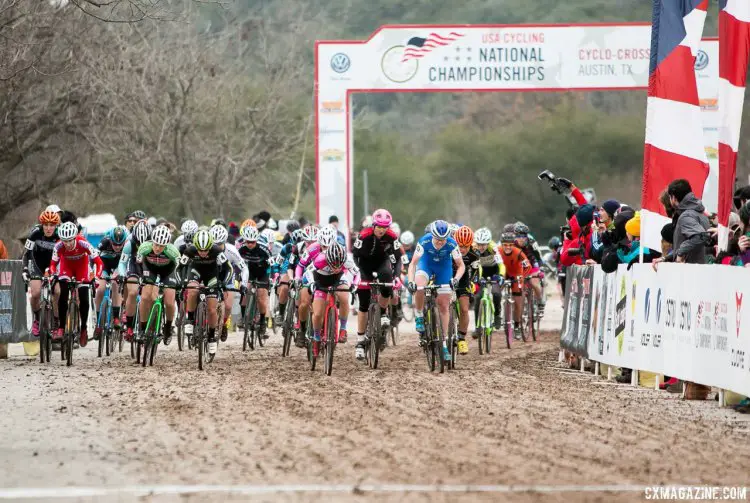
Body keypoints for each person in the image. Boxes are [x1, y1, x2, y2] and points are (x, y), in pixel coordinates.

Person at [407, 220, 465, 363]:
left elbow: (461, 265)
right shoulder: (424, 241)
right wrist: (410, 281)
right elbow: (413, 264)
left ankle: (444, 343)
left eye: (443, 240)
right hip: (426, 265)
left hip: (444, 269)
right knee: (420, 286)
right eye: (438, 240)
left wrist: (456, 279)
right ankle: (420, 315)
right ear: (432, 235)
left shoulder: (451, 243)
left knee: (444, 305)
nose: (440, 243)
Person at [352, 209, 402, 360]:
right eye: (379, 226)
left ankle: (383, 312)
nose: (381, 230)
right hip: (364, 265)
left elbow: (398, 258)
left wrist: (397, 276)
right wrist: (357, 274)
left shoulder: (392, 237)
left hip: (382, 262)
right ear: (373, 225)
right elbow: (355, 255)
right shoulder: (364, 235)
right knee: (364, 303)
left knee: (388, 279)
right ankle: (360, 342)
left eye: (385, 227)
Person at [49, 221, 103, 347]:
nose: (67, 244)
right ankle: (61, 328)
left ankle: (83, 328)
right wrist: (53, 274)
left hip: (82, 267)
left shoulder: (83, 242)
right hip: (66, 266)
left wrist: (96, 277)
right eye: (64, 241)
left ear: (75, 237)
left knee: (84, 298)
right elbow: (53, 264)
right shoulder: (58, 246)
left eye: (70, 240)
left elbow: (98, 263)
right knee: (63, 294)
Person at [180, 229, 233, 356]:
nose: (203, 253)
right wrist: (181, 282)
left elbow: (229, 268)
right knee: (192, 290)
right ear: (195, 247)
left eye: (206, 250)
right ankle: (190, 319)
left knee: (211, 309)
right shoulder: (190, 250)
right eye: (200, 250)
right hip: (195, 271)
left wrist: (224, 283)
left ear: (210, 246)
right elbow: (179, 267)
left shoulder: (216, 250)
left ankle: (211, 337)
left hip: (212, 275)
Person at [307, 244, 356, 357]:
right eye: (333, 265)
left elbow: (357, 273)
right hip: (320, 281)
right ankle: (316, 337)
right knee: (318, 313)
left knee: (344, 296)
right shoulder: (319, 259)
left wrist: (354, 285)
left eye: (339, 265)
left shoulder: (347, 261)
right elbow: (308, 272)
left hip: (337, 280)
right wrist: (311, 284)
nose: (336, 268)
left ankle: (343, 328)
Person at [135, 225, 181, 344]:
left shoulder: (173, 252)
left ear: (166, 244)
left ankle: (168, 327)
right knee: (145, 297)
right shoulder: (144, 247)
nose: (157, 248)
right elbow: (138, 264)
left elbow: (180, 268)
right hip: (151, 270)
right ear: (152, 241)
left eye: (161, 246)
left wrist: (180, 282)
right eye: (156, 244)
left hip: (168, 272)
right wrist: (140, 277)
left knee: (170, 302)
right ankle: (142, 328)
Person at [653, 179, 710, 266]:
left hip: (689, 273)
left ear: (674, 198)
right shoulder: (699, 213)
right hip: (700, 269)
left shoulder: (686, 216)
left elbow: (701, 235)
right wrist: (665, 258)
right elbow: (691, 248)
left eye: (670, 197)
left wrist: (680, 253)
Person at [24, 210, 61, 336]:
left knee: (57, 292)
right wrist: (25, 269)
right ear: (42, 224)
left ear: (56, 225)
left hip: (54, 265)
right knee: (35, 293)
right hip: (37, 264)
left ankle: (56, 321)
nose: (49, 228)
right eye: (46, 225)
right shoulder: (35, 233)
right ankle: (37, 318)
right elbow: (26, 253)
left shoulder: (60, 234)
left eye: (52, 225)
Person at [94, 225, 128, 339]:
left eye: (120, 245)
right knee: (100, 289)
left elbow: (127, 263)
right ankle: (98, 322)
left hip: (119, 266)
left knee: (115, 283)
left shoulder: (127, 245)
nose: (117, 247)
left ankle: (116, 317)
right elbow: (93, 257)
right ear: (110, 240)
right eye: (114, 244)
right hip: (105, 266)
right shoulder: (104, 242)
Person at [499, 232, 532, 339]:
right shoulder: (497, 251)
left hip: (516, 275)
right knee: (496, 292)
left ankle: (517, 326)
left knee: (518, 303)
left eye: (510, 245)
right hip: (504, 274)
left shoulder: (518, 252)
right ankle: (498, 314)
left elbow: (528, 266)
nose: (508, 247)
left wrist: (522, 276)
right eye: (505, 245)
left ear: (514, 245)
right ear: (502, 244)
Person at [453, 226, 480, 355]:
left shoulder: (474, 254)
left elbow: (475, 271)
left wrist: (473, 283)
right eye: (460, 246)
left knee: (464, 309)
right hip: (447, 277)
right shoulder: (449, 249)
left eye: (466, 246)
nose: (463, 249)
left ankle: (462, 339)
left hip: (463, 279)